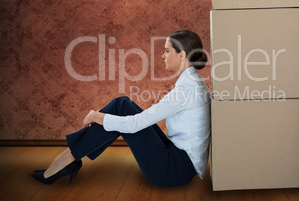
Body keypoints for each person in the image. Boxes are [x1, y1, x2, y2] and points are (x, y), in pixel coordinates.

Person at [31, 30, 211, 187]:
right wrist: (102, 117)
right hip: (179, 162)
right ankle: (72, 157)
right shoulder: (193, 83)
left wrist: (96, 116)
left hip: (171, 170)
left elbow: (136, 124)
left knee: (121, 109)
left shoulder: (185, 90)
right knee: (122, 104)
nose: (162, 55)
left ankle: (68, 158)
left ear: (182, 55)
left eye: (167, 51)